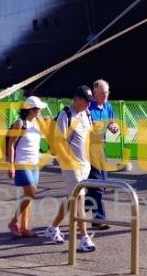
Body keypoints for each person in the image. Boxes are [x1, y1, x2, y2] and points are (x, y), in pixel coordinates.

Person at [45, 85, 96, 253]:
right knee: (79, 199)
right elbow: (58, 141)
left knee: (71, 198)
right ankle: (84, 238)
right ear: (77, 99)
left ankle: (53, 227)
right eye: (86, 101)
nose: (89, 104)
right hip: (71, 164)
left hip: (85, 163)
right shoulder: (65, 115)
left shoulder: (86, 113)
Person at [4, 96, 46, 237]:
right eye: (38, 109)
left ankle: (24, 228)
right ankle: (13, 222)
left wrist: (46, 123)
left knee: (29, 196)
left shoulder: (38, 122)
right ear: (31, 110)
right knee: (31, 193)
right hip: (22, 162)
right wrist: (11, 165)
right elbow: (11, 144)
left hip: (34, 163)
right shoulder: (20, 123)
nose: (40, 111)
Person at [86, 79, 120, 229]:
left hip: (102, 147)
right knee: (97, 185)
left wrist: (114, 127)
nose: (105, 95)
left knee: (103, 184)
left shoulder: (108, 106)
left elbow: (112, 123)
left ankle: (81, 206)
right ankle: (98, 219)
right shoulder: (88, 107)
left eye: (106, 92)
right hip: (88, 148)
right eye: (101, 93)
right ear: (94, 93)